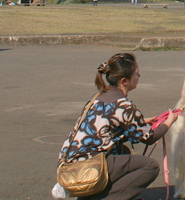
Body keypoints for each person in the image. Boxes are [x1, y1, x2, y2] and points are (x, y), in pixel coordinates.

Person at [58, 52, 178, 200]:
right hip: (89, 165)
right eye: (136, 74)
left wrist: (141, 122)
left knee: (122, 150)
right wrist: (169, 122)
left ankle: (94, 193)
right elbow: (149, 137)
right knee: (150, 166)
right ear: (124, 81)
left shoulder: (97, 98)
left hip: (69, 161)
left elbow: (106, 128)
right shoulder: (123, 105)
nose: (139, 76)